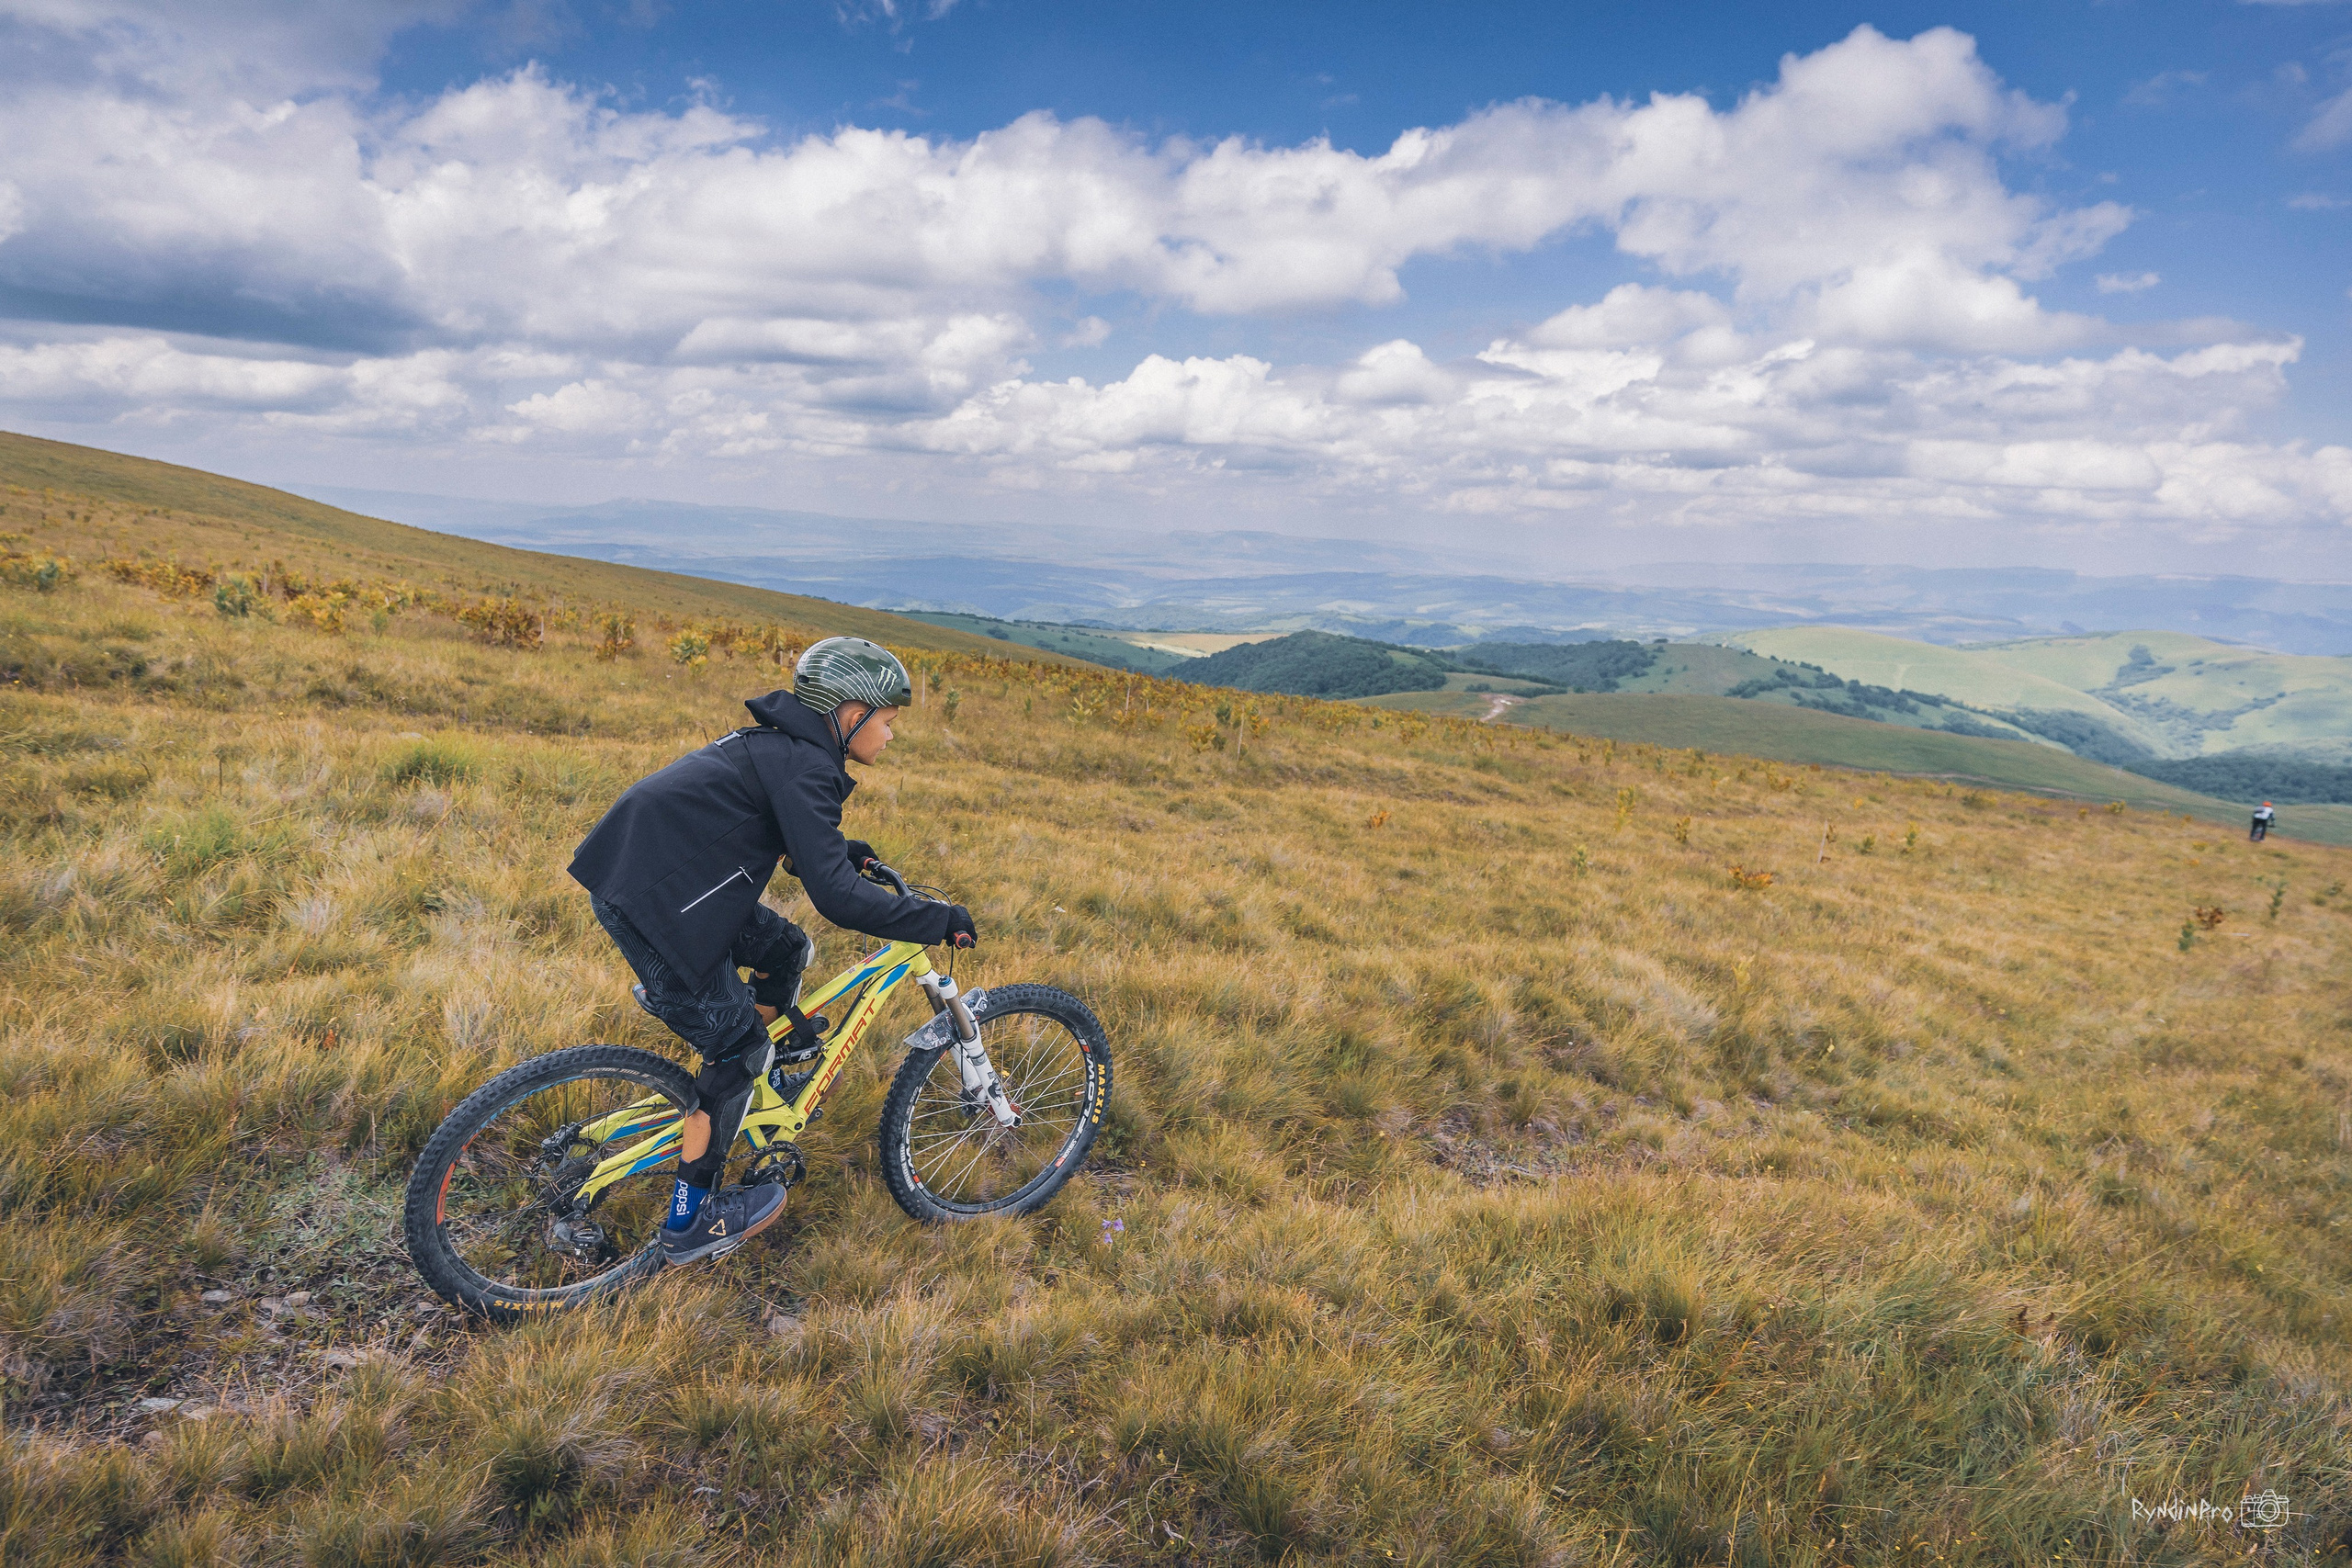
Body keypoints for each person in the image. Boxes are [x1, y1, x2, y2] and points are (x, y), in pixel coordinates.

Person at [568, 637, 977, 1266]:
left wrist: (845, 849)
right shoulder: (807, 765)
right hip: (660, 902)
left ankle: (769, 1061)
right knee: (735, 1049)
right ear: (849, 714)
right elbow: (837, 899)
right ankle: (691, 1220)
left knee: (784, 946)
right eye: (889, 722)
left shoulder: (782, 748)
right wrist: (937, 918)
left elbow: (785, 834)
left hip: (661, 880)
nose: (892, 737)